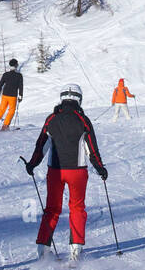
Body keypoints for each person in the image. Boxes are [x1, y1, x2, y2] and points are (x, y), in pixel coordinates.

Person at [26, 82, 106, 260]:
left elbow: (41, 145)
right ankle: (76, 249)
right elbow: (91, 148)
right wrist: (100, 168)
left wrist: (32, 164)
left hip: (55, 171)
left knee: (52, 209)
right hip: (77, 172)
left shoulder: (51, 119)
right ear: (79, 99)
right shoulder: (83, 120)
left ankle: (43, 250)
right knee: (77, 208)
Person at [0, 57, 23, 130]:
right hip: (13, 96)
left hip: (5, 95)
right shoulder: (19, 75)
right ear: (16, 65)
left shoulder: (5, 74)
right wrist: (20, 95)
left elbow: (0, 84)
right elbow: (20, 86)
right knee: (11, 111)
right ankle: (5, 126)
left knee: (1, 110)